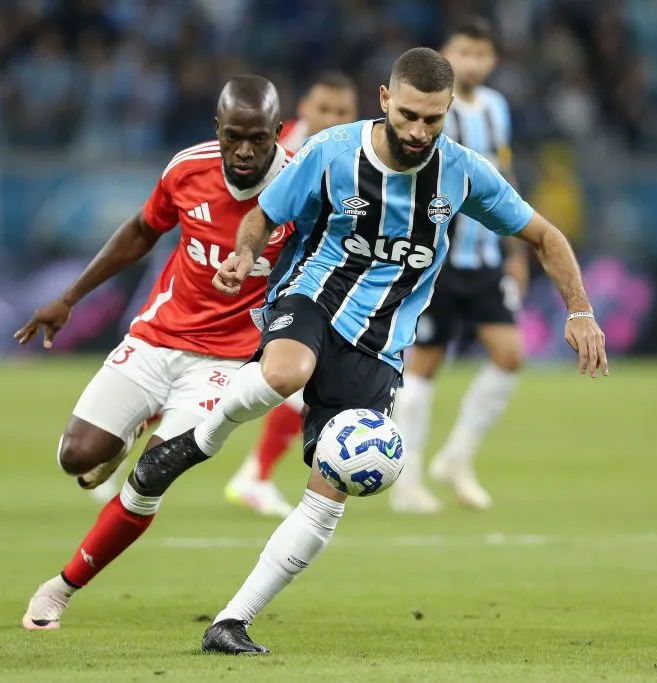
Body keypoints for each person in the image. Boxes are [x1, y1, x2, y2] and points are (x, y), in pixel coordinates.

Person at [123, 47, 606, 654]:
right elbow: (263, 214)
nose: (418, 130)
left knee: (333, 490)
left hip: (381, 343)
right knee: (286, 370)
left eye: (432, 119)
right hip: (313, 300)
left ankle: (231, 622)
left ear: (448, 111)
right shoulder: (332, 151)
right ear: (384, 99)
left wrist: (581, 311)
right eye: (407, 114)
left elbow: (544, 235)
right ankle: (196, 442)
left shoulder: (461, 172)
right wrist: (246, 254)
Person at [17, 75, 294, 631]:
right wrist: (70, 297)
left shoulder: (301, 188)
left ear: (277, 134)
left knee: (153, 474)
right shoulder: (185, 169)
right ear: (216, 129)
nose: (244, 150)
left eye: (258, 139)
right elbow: (143, 231)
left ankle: (61, 587)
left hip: (228, 363)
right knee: (75, 457)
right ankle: (136, 422)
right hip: (157, 337)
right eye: (233, 136)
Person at [390, 18, 529, 513]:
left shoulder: (495, 109)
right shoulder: (430, 113)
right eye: (463, 52)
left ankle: (456, 458)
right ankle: (405, 479)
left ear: (492, 60)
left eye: (481, 53)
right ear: (446, 56)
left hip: (485, 257)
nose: (473, 62)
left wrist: (515, 252)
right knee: (424, 366)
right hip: (437, 260)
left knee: (509, 354)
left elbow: (504, 179)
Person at [225, 71, 359, 518]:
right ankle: (126, 439)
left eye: (342, 112)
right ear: (304, 109)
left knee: (302, 384)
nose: (333, 118)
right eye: (325, 109)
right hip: (244, 274)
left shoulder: (352, 154)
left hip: (297, 284)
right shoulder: (275, 152)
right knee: (200, 368)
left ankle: (255, 476)